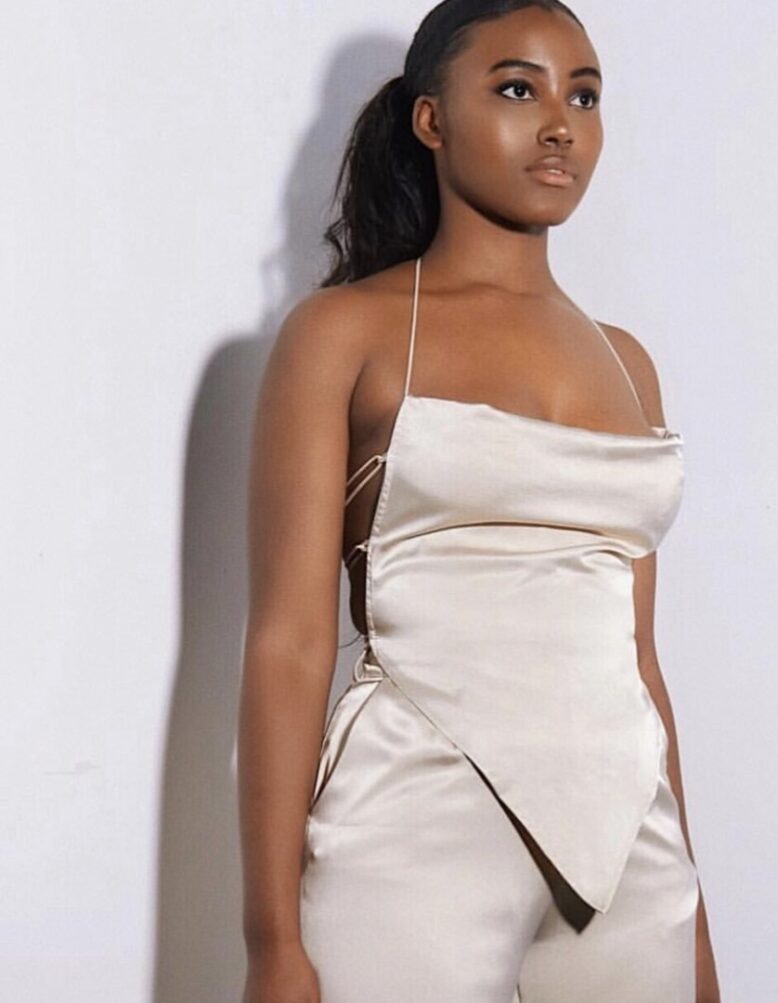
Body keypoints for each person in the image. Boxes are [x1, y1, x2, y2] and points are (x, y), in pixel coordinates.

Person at [237, 1, 721, 1001]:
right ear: (431, 120)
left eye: (583, 97)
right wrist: (271, 942)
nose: (559, 125)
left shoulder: (628, 363)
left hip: (630, 849)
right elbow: (289, 643)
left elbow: (639, 661)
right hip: (413, 832)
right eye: (516, 88)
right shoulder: (344, 334)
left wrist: (696, 924)